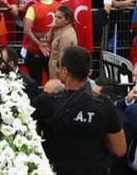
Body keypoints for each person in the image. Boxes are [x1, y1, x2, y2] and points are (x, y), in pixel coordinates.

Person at [33, 47, 126, 175]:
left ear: (65, 71)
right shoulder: (104, 105)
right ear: (89, 72)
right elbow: (120, 149)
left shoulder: (46, 102)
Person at [23, 0, 60, 85]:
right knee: (54, 83)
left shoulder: (33, 8)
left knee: (35, 83)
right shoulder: (59, 6)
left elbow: (26, 31)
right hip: (53, 50)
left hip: (35, 50)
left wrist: (39, 45)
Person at [46, 6, 78, 80]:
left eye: (59, 18)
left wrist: (60, 77)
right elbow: (47, 40)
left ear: (67, 20)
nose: (56, 20)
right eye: (55, 17)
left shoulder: (66, 35)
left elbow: (63, 59)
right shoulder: (61, 30)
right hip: (55, 72)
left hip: (58, 76)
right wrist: (52, 28)